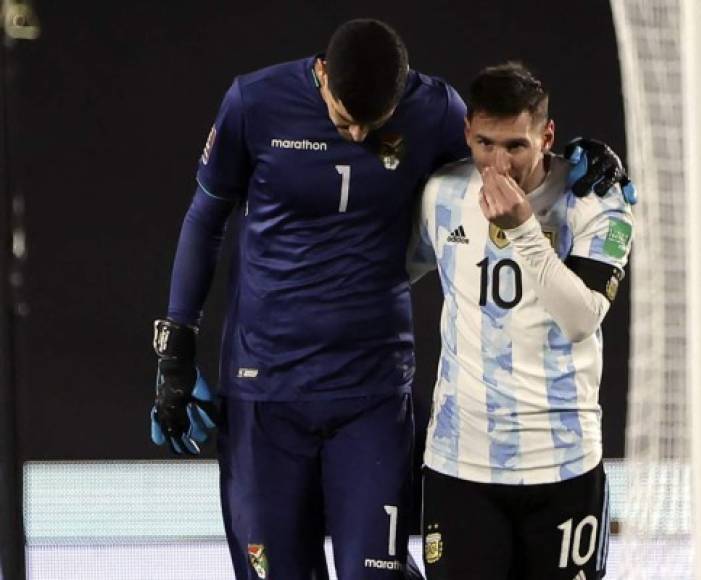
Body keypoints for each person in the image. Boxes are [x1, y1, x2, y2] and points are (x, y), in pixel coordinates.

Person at [149, 18, 630, 580]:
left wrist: (584, 155)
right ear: (322, 76)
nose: (355, 136)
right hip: (265, 391)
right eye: (343, 119)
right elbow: (205, 217)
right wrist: (176, 345)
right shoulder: (254, 103)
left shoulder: (434, 112)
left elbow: (510, 149)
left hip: (371, 397)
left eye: (370, 125)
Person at [410, 62, 635, 580]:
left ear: (547, 137)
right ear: (467, 130)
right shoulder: (442, 195)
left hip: (564, 463)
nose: (499, 163)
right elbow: (391, 277)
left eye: (516, 146)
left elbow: (581, 318)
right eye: (485, 143)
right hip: (460, 465)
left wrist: (524, 232)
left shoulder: (597, 202)